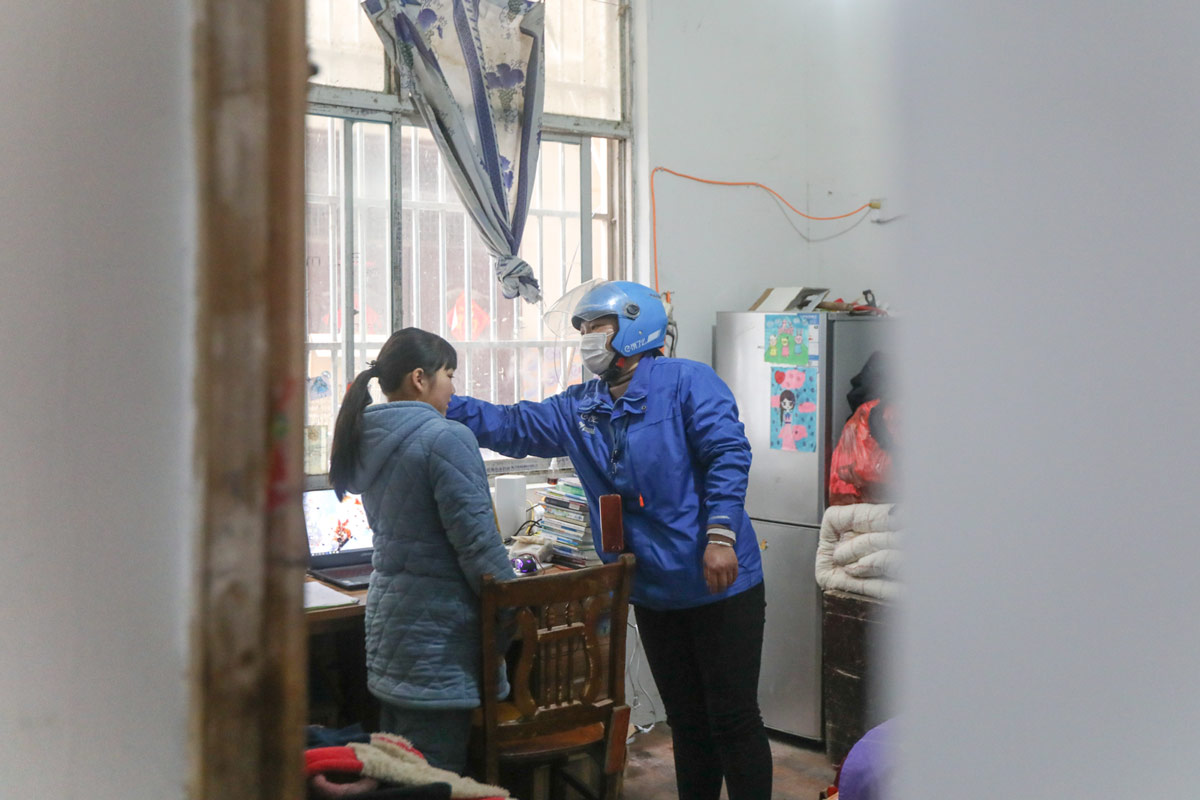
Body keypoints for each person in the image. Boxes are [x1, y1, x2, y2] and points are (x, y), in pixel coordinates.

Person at [447, 281, 772, 800]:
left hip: (718, 579)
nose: (586, 338)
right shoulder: (582, 406)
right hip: (654, 589)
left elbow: (727, 454)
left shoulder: (687, 381)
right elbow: (511, 425)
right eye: (581, 329)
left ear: (634, 326)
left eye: (596, 326)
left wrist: (721, 535)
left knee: (732, 717)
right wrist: (443, 401)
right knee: (687, 721)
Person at [328, 327, 514, 775]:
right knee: (434, 776)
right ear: (419, 378)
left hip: (391, 628)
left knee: (399, 769)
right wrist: (513, 606)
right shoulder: (445, 438)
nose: (453, 388)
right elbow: (479, 550)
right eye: (448, 374)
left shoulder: (367, 435)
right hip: (440, 638)